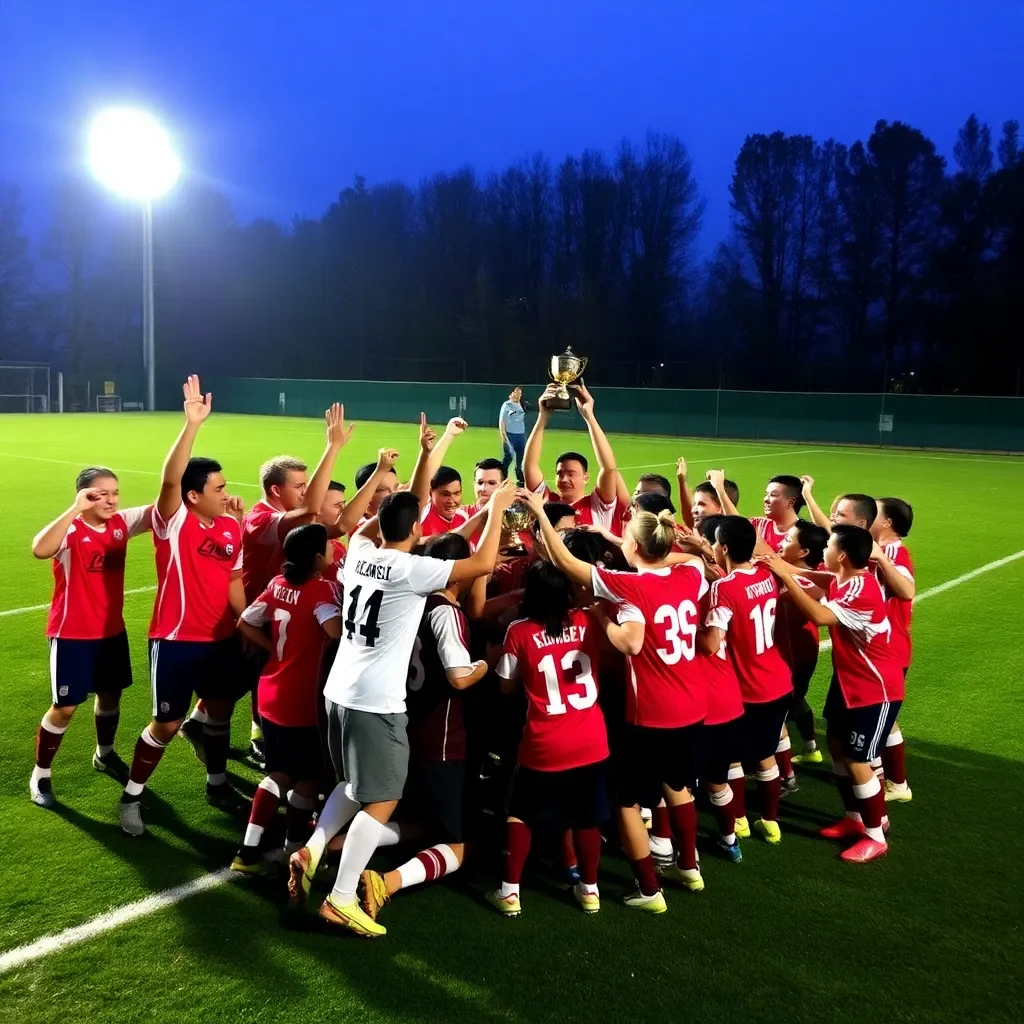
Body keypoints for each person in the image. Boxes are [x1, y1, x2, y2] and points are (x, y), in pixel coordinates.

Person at [287, 478, 517, 938]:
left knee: (354, 784)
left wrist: (399, 507)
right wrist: (498, 509)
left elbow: (378, 529)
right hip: (376, 702)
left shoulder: (359, 551)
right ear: (414, 527)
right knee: (383, 797)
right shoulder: (412, 570)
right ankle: (341, 898)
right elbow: (484, 562)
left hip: (339, 693)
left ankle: (312, 849)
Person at [524, 491, 708, 911]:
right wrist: (670, 552)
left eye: (626, 536)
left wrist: (539, 514)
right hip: (693, 707)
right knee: (677, 785)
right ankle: (690, 866)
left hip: (651, 714)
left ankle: (648, 889)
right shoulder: (692, 575)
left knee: (624, 800)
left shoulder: (629, 586)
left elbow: (568, 564)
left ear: (637, 547)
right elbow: (693, 560)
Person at [119, 376, 247, 837]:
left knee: (219, 711)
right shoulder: (174, 521)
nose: (224, 492)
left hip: (221, 640)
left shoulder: (231, 528)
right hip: (175, 641)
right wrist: (191, 425)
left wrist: (247, 622)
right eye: (217, 487)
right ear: (194, 496)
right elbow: (170, 479)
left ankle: (216, 783)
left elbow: (233, 579)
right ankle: (131, 797)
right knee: (168, 723)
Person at [357, 533, 489, 922]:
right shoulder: (445, 612)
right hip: (443, 738)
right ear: (457, 573)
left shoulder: (407, 601)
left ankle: (332, 848)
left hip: (403, 725)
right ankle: (390, 882)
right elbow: (459, 678)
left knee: (419, 818)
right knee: (466, 842)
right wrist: (485, 663)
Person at [760, 525, 904, 864]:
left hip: (876, 690)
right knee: (839, 748)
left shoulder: (862, 591)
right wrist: (775, 564)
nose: (823, 549)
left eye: (828, 545)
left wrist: (786, 575)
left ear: (840, 554)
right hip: (850, 686)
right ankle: (855, 817)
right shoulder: (846, 577)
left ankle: (875, 834)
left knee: (857, 760)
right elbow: (813, 577)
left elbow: (820, 615)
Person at [488, 559, 609, 917]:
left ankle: (510, 892)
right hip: (591, 740)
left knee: (520, 813)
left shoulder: (520, 631)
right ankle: (590, 890)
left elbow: (506, 686)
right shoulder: (588, 623)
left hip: (544, 742)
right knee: (587, 817)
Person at [28, 469, 152, 807]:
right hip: (71, 633)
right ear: (84, 496)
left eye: (114, 492)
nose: (111, 499)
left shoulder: (121, 523)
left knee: (110, 696)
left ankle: (105, 754)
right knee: (65, 707)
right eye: (100, 494)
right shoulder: (71, 529)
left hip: (111, 631)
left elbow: (163, 509)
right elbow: (40, 549)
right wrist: (74, 509)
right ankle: (41, 774)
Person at [231, 523, 343, 874]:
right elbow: (334, 631)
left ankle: (246, 852)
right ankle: (293, 849)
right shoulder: (324, 590)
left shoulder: (278, 585)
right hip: (303, 699)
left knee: (278, 772)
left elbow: (246, 622)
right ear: (317, 557)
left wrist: (272, 651)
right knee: (310, 777)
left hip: (270, 691)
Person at [702, 516, 793, 844]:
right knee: (765, 754)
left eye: (714, 542)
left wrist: (692, 633)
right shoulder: (768, 575)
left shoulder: (721, 589)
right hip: (778, 681)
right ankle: (771, 821)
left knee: (734, 757)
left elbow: (713, 642)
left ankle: (738, 819)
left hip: (747, 687)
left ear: (723, 548)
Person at [524, 381, 626, 534]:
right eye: (560, 474)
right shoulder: (547, 501)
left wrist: (589, 417)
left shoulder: (597, 505)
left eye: (571, 474)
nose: (564, 479)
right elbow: (529, 466)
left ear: (586, 477)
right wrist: (542, 417)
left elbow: (609, 468)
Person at [870, 497, 915, 801]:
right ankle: (895, 783)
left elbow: (907, 589)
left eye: (874, 512)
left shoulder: (894, 553)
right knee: (885, 720)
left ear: (887, 522)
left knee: (870, 724)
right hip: (883, 652)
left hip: (886, 653)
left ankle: (876, 786)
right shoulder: (878, 549)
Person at [775, 522, 830, 767]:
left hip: (795, 656)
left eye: (788, 540)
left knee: (779, 711)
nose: (780, 543)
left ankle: (782, 773)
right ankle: (810, 747)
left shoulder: (808, 583)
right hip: (799, 653)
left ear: (803, 552)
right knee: (797, 700)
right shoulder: (796, 576)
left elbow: (816, 593)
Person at [419, 466, 471, 538]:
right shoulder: (420, 520)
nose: (452, 500)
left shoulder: (463, 517)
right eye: (446, 494)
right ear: (431, 493)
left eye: (457, 493)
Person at [498, 386, 527, 485]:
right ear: (512, 393)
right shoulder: (507, 405)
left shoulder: (522, 404)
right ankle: (501, 474)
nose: (519, 395)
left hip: (521, 436)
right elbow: (502, 421)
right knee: (509, 457)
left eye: (520, 393)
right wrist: (504, 436)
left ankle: (520, 479)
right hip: (510, 436)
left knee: (521, 459)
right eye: (517, 392)